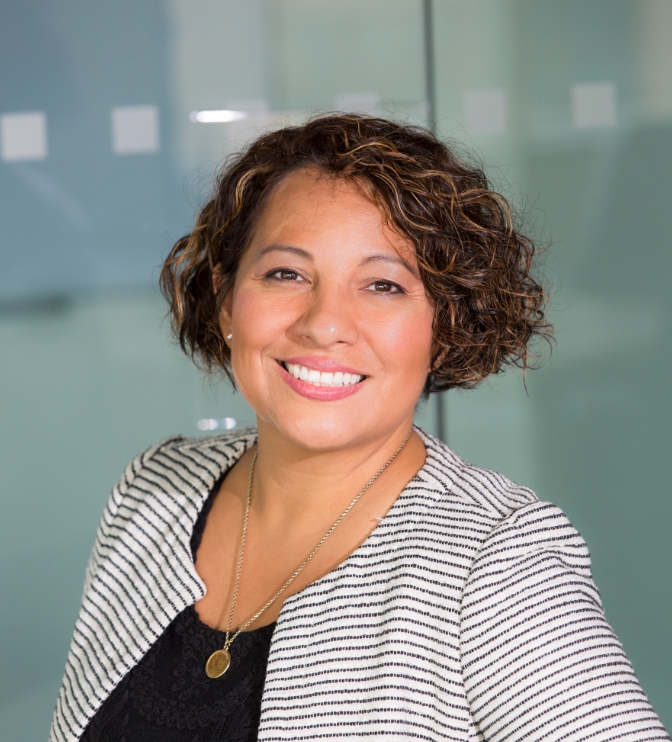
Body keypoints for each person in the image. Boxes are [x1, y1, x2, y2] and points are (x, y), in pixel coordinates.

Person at [50, 115, 669, 742]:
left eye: (382, 285)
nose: (324, 324)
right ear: (225, 296)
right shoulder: (154, 490)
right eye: (286, 274)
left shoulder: (497, 560)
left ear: (445, 328)